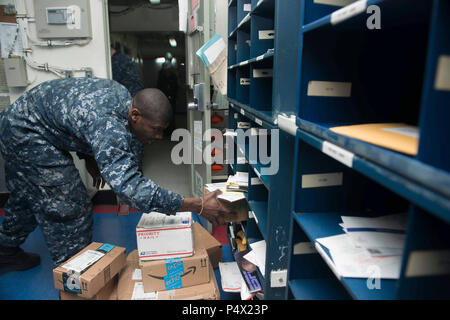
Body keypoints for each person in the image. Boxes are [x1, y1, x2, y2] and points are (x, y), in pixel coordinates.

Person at [0, 77, 231, 271]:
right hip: (25, 132)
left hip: (31, 123)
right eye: (156, 129)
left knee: (29, 193)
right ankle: (74, 281)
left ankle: (5, 251)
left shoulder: (122, 98)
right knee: (68, 206)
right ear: (135, 115)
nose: (160, 137)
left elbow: (72, 118)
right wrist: (197, 205)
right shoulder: (109, 125)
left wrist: (88, 155)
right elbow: (131, 189)